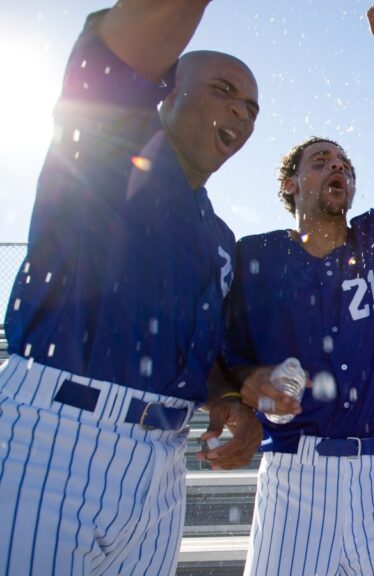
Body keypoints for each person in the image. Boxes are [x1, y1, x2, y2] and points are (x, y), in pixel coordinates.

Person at [0, 2, 262, 574]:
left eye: (251, 109)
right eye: (223, 90)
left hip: (162, 466)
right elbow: (117, 51)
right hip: (55, 438)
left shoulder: (219, 236)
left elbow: (207, 358)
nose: (240, 114)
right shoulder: (106, 144)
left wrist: (228, 403)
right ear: (165, 91)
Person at [219, 3, 374, 575]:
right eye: (321, 160)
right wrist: (245, 386)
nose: (338, 166)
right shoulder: (253, 255)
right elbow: (225, 359)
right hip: (292, 470)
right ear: (291, 183)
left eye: (346, 162)